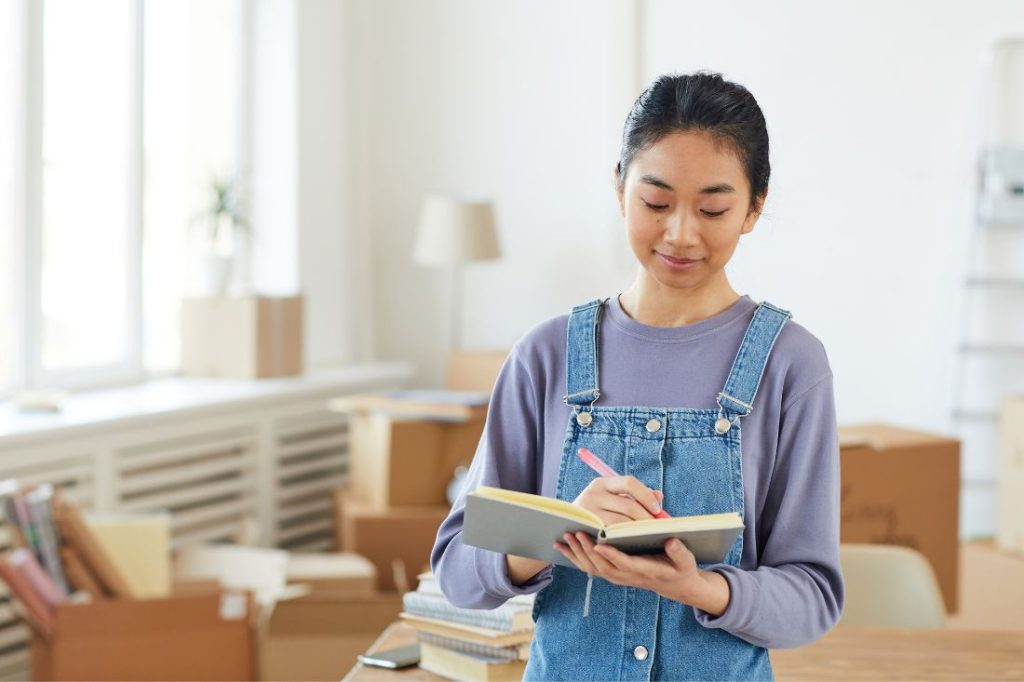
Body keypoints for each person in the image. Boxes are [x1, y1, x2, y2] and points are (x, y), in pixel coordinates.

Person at [430, 70, 844, 681]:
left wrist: (698, 587)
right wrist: (558, 533)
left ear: (754, 207)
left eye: (713, 208)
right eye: (656, 203)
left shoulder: (791, 364)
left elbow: (812, 599)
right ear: (620, 187)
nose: (681, 233)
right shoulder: (544, 356)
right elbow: (458, 573)